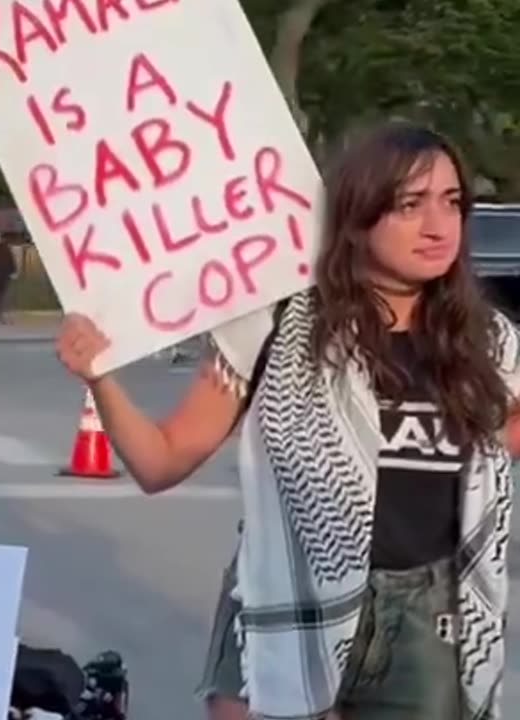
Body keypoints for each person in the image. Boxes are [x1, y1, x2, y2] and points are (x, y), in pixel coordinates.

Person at [56, 122, 520, 720]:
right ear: (358, 215)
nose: (438, 225)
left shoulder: (490, 345)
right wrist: (99, 376)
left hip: (430, 619)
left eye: (452, 202)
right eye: (410, 205)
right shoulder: (275, 326)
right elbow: (160, 460)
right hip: (284, 598)